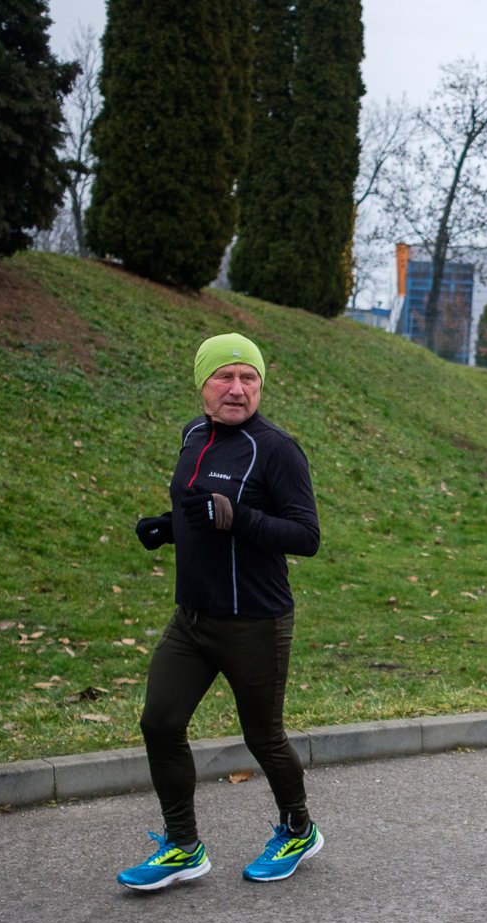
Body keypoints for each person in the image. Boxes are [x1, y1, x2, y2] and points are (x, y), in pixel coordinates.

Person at [118, 333, 325, 891]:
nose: (237, 389)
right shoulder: (194, 434)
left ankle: (298, 829)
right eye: (225, 377)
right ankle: (183, 846)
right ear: (202, 383)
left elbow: (306, 536)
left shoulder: (277, 449)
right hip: (192, 618)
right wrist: (169, 526)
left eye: (248, 378)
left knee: (264, 737)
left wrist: (238, 518)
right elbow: (201, 506)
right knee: (160, 723)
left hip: (255, 621)